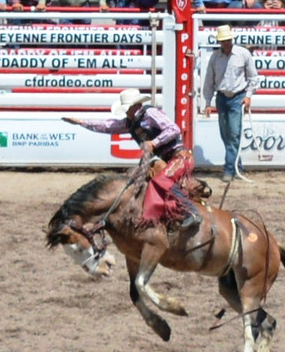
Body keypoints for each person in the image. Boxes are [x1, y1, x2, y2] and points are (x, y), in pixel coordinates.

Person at [65, 89, 203, 230]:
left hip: (180, 157)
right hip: (168, 160)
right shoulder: (131, 123)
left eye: (127, 109)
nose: (126, 112)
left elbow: (174, 129)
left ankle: (191, 212)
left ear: (136, 106)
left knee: (161, 180)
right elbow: (108, 126)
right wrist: (82, 122)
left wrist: (154, 143)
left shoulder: (150, 113)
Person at [202, 24, 259, 184]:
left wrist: (248, 96)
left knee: (233, 134)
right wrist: (208, 102)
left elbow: (253, 77)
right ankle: (237, 165)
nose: (226, 43)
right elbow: (209, 80)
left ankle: (228, 169)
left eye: (227, 40)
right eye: (223, 41)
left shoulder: (243, 54)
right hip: (221, 97)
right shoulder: (215, 57)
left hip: (237, 97)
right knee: (226, 134)